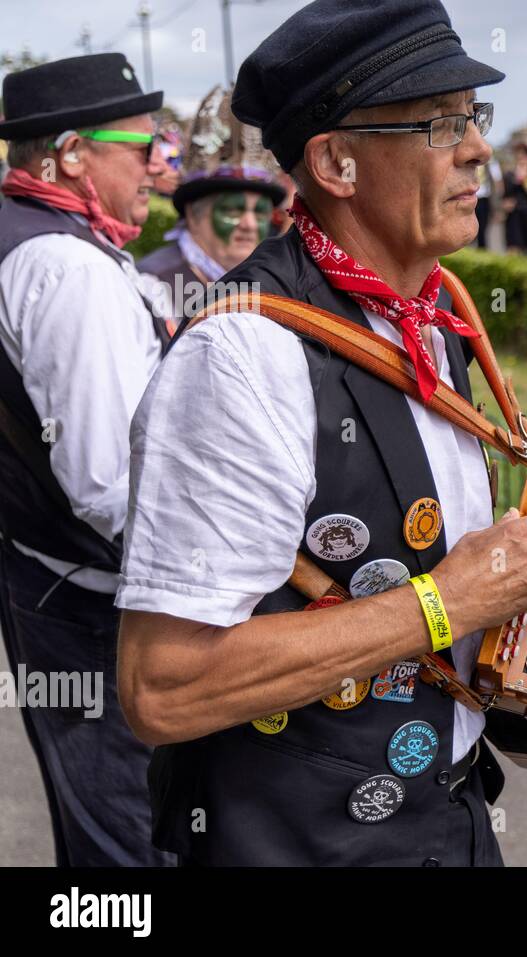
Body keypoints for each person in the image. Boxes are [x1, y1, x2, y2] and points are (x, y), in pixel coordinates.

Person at [114, 0, 527, 867]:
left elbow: (431, 586)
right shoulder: (244, 356)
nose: (480, 147)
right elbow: (164, 686)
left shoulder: (426, 318)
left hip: (450, 814)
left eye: (473, 117)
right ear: (335, 161)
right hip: (297, 843)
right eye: (441, 123)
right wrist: (452, 600)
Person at [0, 52, 172, 866]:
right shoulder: (68, 268)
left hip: (48, 578)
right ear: (70, 153)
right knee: (132, 841)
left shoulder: (33, 238)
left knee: (102, 833)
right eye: (142, 145)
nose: (160, 161)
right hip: (99, 606)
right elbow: (114, 487)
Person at [137, 86, 285, 315]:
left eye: (260, 212)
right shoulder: (152, 287)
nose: (250, 225)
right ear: (193, 215)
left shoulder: (273, 287)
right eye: (232, 210)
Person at [473, 155, 500, 250]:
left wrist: (497, 206)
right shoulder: (471, 158)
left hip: (484, 198)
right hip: (471, 197)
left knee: (482, 228)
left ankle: (482, 249)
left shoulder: (490, 161)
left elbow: (497, 182)